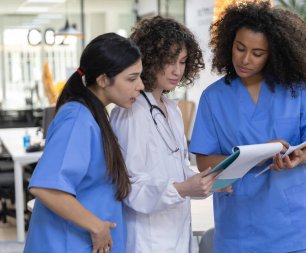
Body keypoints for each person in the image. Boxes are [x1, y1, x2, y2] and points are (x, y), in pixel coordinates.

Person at [189, 1, 306, 253]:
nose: (245, 59)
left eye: (257, 53)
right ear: (228, 43)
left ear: (274, 53)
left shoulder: (297, 90)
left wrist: (299, 158)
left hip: (296, 228)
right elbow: (203, 162)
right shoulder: (213, 98)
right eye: (239, 48)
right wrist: (253, 157)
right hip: (240, 230)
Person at [24, 33, 144, 253]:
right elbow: (46, 187)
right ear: (103, 79)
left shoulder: (95, 115)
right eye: (131, 78)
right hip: (65, 244)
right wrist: (96, 226)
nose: (140, 86)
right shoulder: (77, 118)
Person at [110, 16, 218, 253]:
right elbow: (130, 188)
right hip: (147, 241)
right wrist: (182, 189)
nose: (177, 70)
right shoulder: (131, 112)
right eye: (170, 61)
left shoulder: (172, 110)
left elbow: (177, 172)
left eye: (182, 61)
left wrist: (211, 181)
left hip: (177, 234)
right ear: (149, 58)